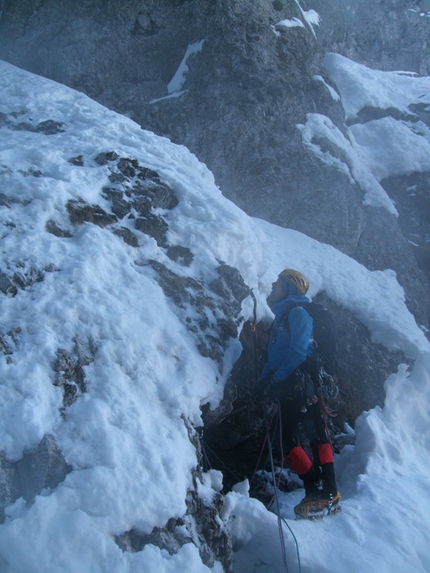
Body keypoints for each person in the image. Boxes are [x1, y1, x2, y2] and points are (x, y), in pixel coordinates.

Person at [257, 269, 341, 519]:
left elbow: (298, 351)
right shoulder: (282, 317)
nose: (273, 285)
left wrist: (277, 380)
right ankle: (316, 486)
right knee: (289, 438)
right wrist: (263, 383)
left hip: (302, 385)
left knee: (315, 435)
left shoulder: (298, 313)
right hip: (291, 385)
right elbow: (275, 357)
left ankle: (327, 489)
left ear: (290, 287)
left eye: (278, 283)